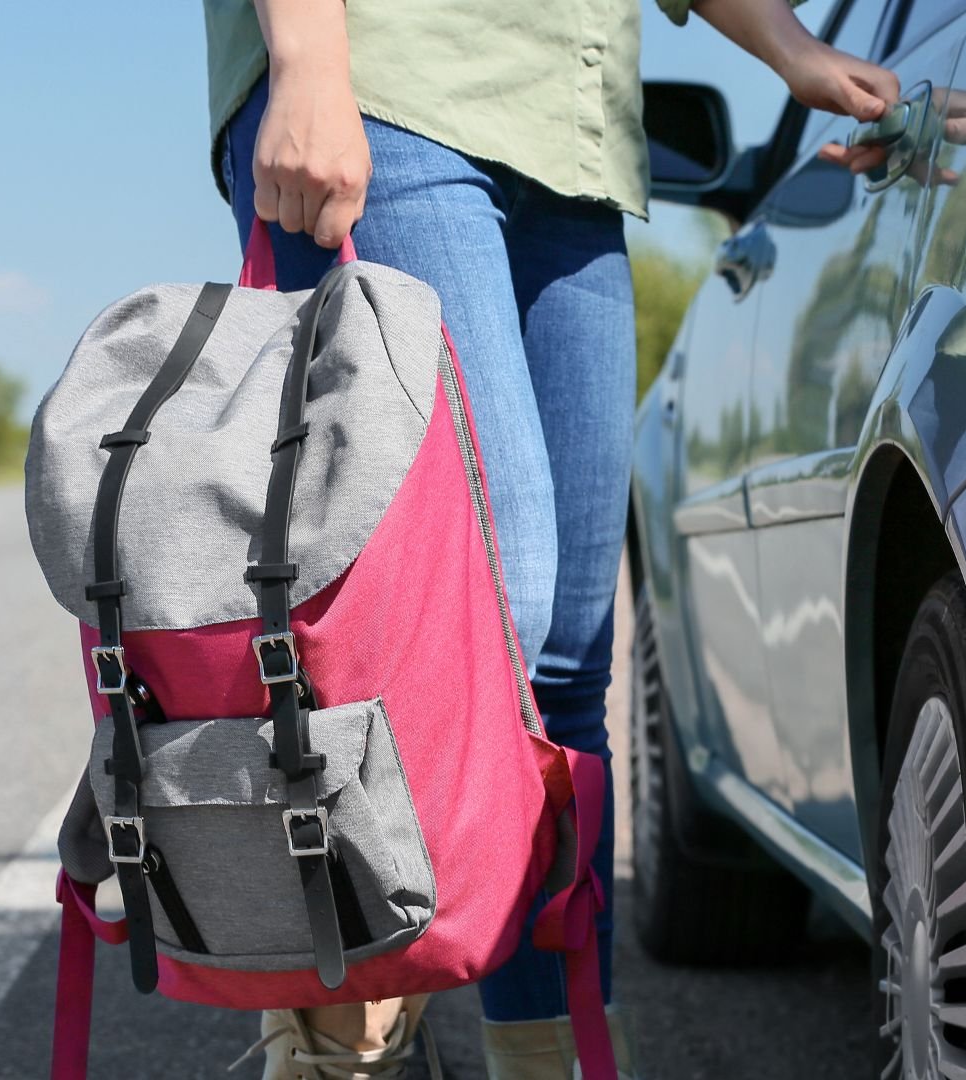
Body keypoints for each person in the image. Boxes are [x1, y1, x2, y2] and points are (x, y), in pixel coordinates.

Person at [200, 1, 898, 1076]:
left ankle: (549, 1054)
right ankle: (338, 1041)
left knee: (567, 666)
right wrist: (304, 57)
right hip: (392, 86)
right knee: (485, 613)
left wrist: (794, 52)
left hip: (571, 128)